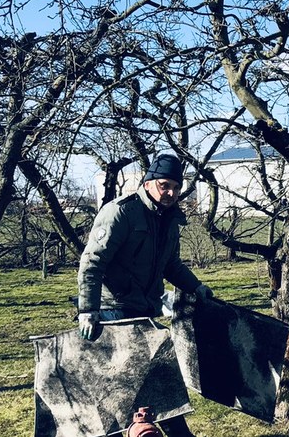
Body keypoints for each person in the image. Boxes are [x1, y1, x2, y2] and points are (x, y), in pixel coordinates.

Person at [77, 153, 212, 436]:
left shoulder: (170, 219)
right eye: (165, 185)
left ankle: (169, 430)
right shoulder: (121, 212)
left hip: (143, 309)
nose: (171, 192)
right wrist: (87, 311)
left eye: (176, 187)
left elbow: (171, 265)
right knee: (118, 388)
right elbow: (92, 263)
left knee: (157, 373)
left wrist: (196, 288)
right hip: (111, 310)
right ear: (148, 182)